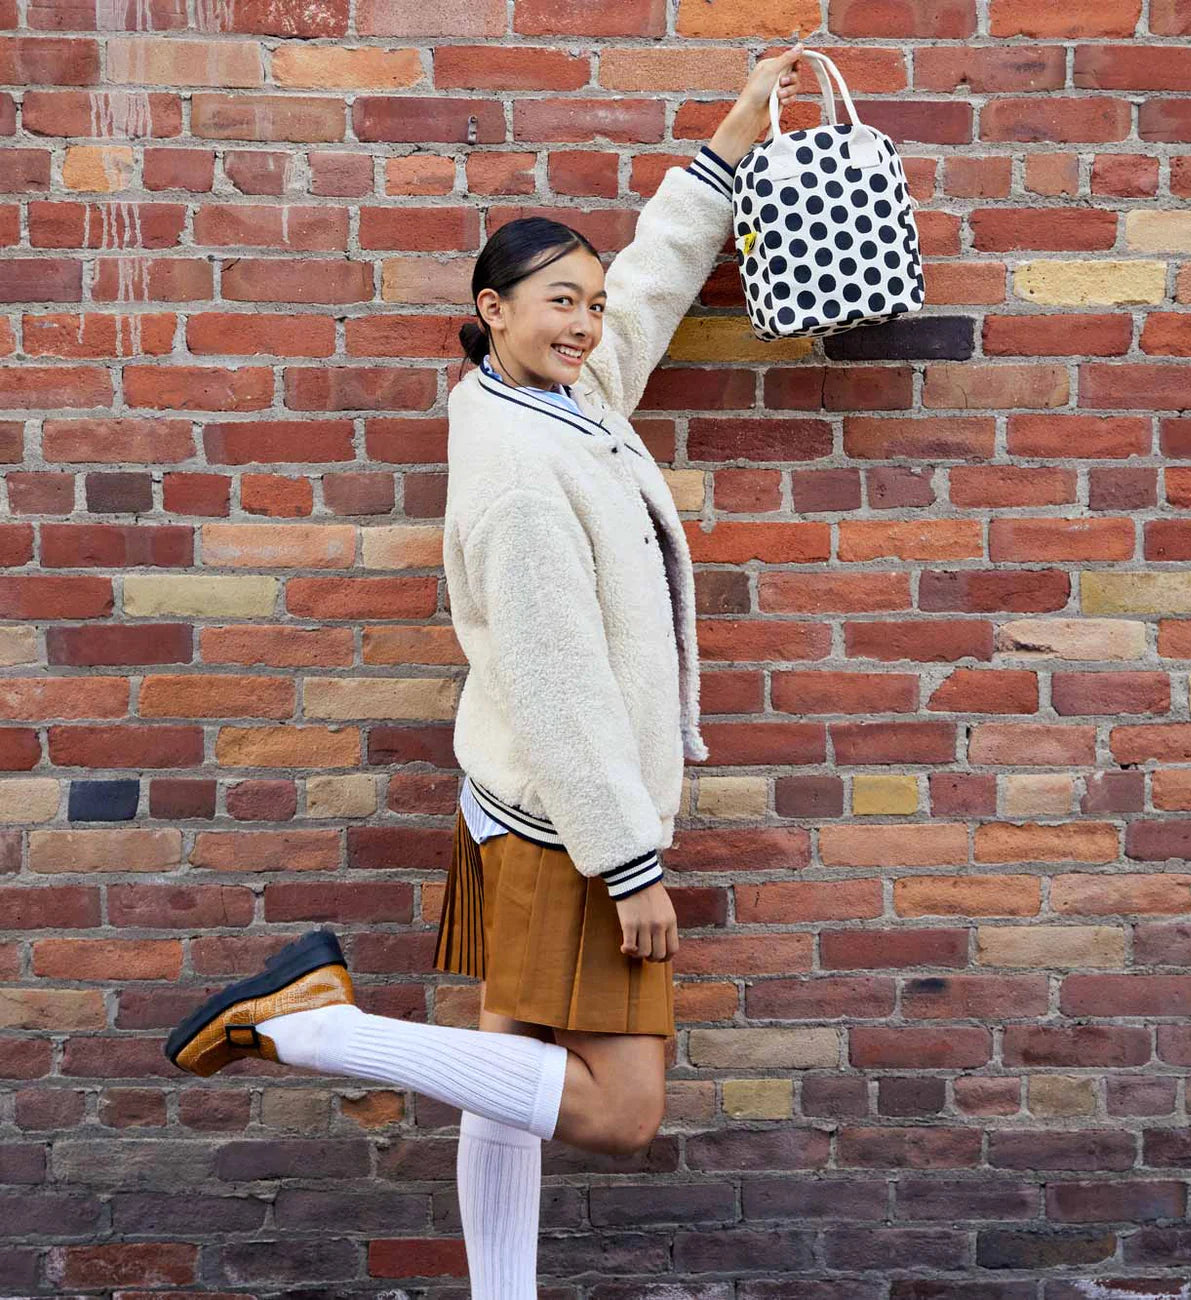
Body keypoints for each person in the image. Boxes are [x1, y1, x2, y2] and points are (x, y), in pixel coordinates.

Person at [164, 41, 805, 1297]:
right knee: (618, 1109)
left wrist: (733, 131)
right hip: (567, 822)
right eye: (553, 301)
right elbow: (560, 679)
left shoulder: (560, 403)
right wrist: (629, 865)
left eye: (586, 298)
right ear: (490, 313)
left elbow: (660, 277)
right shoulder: (521, 472)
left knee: (506, 1071)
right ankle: (313, 1027)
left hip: (524, 807)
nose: (583, 320)